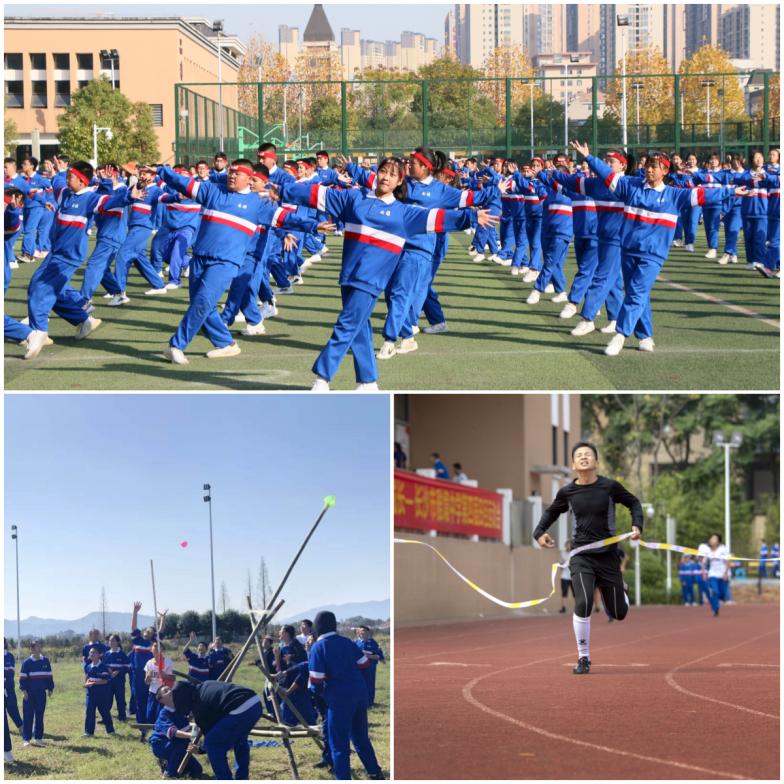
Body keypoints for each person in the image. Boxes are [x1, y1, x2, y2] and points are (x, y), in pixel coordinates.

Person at [272, 156, 498, 390]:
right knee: (359, 327)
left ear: (400, 181)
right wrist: (281, 191)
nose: (385, 177)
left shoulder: (405, 213)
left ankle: (322, 377)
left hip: (370, 281)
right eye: (383, 171)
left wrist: (471, 216)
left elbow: (437, 218)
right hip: (348, 276)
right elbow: (317, 195)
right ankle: (368, 382)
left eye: (392, 174)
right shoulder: (353, 198)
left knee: (346, 325)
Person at [569, 140, 744, 356]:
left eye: (654, 166)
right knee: (638, 294)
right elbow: (608, 176)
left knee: (637, 292)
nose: (649, 169)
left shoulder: (674, 195)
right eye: (647, 165)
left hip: (653, 255)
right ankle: (645, 336)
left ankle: (620, 335)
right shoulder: (630, 187)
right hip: (628, 250)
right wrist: (589, 157)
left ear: (664, 170)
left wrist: (732, 191)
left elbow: (702, 194)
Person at [533, 442, 643, 675]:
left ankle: (620, 589)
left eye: (588, 455)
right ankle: (584, 658)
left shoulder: (610, 487)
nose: (584, 458)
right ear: (573, 465)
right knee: (583, 603)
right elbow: (552, 511)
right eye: (579, 456)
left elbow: (633, 502)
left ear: (596, 461)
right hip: (581, 555)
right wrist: (539, 533)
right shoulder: (567, 492)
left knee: (619, 613)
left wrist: (637, 524)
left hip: (608, 556)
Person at [20, 160, 130, 360]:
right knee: (48, 290)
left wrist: (129, 194)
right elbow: (57, 182)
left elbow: (109, 201)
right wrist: (59, 170)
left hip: (69, 255)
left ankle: (38, 331)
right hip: (56, 251)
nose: (67, 178)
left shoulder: (89, 198)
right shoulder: (64, 192)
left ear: (81, 181)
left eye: (71, 176)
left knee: (41, 288)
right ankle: (82, 319)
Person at [308, 611, 384, 780]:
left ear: (317, 627)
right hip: (359, 694)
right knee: (361, 738)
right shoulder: (347, 642)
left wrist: (320, 693)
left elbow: (316, 682)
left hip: (338, 700)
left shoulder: (318, 647)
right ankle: (375, 773)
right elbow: (364, 663)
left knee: (339, 745)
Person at [158, 678, 263, 780]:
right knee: (239, 740)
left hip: (240, 710)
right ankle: (242, 778)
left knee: (213, 744)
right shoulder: (205, 685)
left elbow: (210, 738)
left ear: (184, 697)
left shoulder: (199, 706)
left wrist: (200, 749)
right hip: (255, 703)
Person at [148, 698, 203, 779]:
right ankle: (169, 773)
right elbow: (173, 732)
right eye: (165, 691)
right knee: (181, 745)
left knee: (197, 770)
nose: (169, 691)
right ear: (161, 700)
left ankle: (167, 764)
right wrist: (191, 735)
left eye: (170, 689)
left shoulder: (180, 709)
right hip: (160, 744)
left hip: (177, 744)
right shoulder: (164, 713)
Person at [19, 640, 54, 746]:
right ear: (30, 649)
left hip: (41, 694)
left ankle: (38, 738)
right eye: (33, 647)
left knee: (39, 716)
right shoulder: (26, 662)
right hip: (29, 694)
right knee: (28, 716)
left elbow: (49, 676)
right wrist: (24, 691)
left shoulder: (45, 661)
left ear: (40, 648)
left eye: (37, 646)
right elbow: (22, 679)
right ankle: (26, 739)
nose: (35, 649)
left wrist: (50, 688)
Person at [83, 647, 117, 737]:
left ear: (99, 655)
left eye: (94, 652)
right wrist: (86, 683)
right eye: (90, 653)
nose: (92, 654)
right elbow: (87, 677)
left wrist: (94, 683)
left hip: (102, 694)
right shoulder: (88, 666)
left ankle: (111, 731)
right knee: (89, 712)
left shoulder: (104, 667)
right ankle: (89, 732)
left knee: (105, 712)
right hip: (90, 694)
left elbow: (106, 681)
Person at [354, 626, 385, 707]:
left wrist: (367, 656)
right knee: (358, 685)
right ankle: (360, 702)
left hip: (370, 667)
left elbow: (378, 656)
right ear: (358, 633)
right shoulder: (355, 643)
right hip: (358, 668)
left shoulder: (373, 643)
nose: (363, 633)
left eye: (364, 631)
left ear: (368, 633)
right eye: (361, 631)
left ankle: (370, 703)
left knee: (370, 684)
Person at [103, 634, 130, 722]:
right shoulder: (107, 654)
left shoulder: (122, 654)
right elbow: (103, 666)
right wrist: (109, 671)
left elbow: (128, 667)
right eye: (110, 641)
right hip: (109, 681)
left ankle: (122, 717)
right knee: (107, 699)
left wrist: (118, 671)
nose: (111, 642)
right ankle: (105, 718)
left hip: (119, 681)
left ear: (118, 642)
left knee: (120, 699)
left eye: (113, 640)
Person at [704, 533, 731, 617]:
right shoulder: (707, 550)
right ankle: (715, 608)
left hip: (722, 573)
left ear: (718, 541)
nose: (712, 540)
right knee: (715, 591)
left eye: (714, 538)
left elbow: (729, 561)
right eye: (711, 538)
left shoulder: (723, 549)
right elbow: (703, 561)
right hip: (713, 574)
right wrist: (704, 572)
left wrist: (726, 573)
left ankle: (719, 601)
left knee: (722, 595)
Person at [3, 639, 22, 731]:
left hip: (9, 688)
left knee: (12, 708)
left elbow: (10, 674)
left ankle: (21, 727)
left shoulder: (9, 656)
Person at [559, 541, 574, 614]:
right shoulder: (563, 554)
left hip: (573, 576)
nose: (568, 547)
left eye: (569, 545)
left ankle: (577, 607)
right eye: (567, 545)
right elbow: (561, 565)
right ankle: (563, 607)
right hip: (564, 576)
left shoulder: (574, 554)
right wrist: (562, 564)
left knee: (575, 593)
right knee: (564, 592)